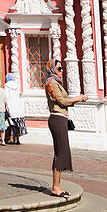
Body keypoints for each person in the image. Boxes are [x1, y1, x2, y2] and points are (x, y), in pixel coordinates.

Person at [44, 59, 88, 197]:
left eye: (62, 68)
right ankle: (55, 187)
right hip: (57, 119)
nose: (62, 71)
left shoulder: (56, 82)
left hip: (61, 118)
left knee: (62, 152)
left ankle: (57, 185)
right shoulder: (51, 82)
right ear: (52, 69)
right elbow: (61, 101)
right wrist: (78, 98)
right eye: (58, 69)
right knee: (60, 153)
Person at [3, 72, 27, 144]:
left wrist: (5, 105)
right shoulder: (17, 85)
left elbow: (6, 96)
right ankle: (17, 139)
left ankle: (11, 138)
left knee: (11, 124)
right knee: (18, 125)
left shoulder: (6, 86)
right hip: (18, 107)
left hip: (11, 107)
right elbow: (20, 94)